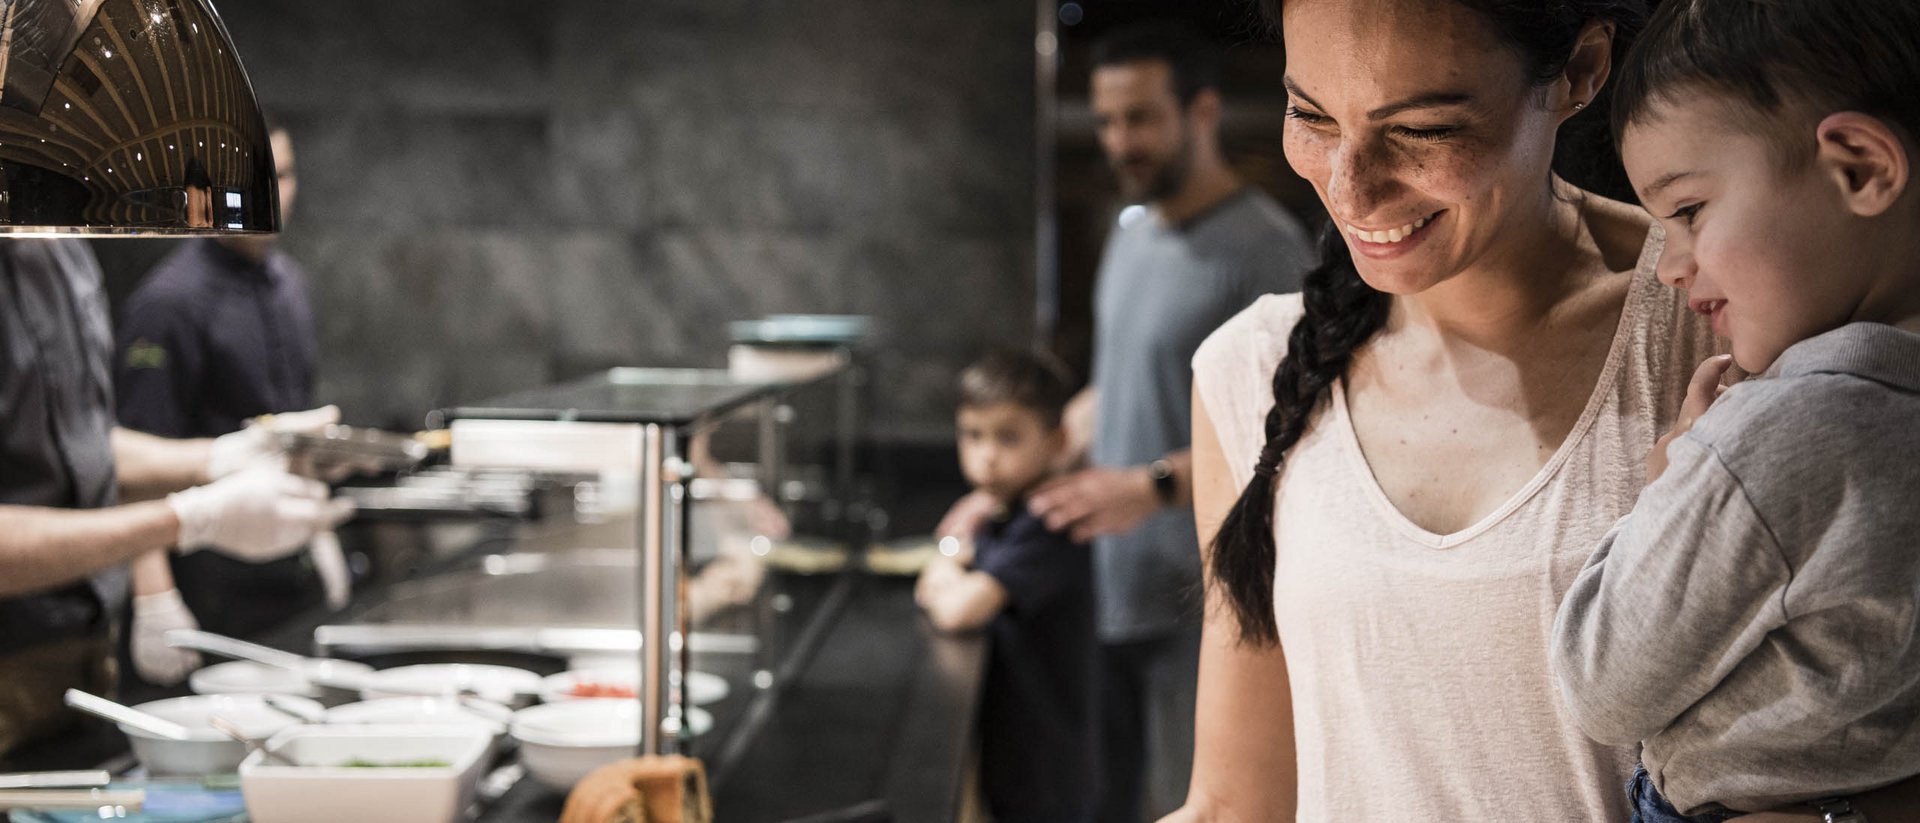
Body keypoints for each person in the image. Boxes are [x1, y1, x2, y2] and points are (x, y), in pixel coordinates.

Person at [932, 23, 1312, 819]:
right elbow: (1114, 384)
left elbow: (1297, 436)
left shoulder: (1267, 253)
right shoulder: (1129, 228)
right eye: (1106, 120)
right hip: (1105, 586)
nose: (1119, 141)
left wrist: (1154, 483)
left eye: (1140, 117)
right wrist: (1016, 482)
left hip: (1204, 600)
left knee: (1196, 802)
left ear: (1201, 110)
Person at [1551, 1, 1920, 820]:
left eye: (1686, 212)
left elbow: (1600, 680)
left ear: (1859, 167)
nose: (1670, 267)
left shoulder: (1780, 434)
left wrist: (1670, 483)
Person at [0, 238, 351, 760]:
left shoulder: (62, 248)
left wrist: (224, 456)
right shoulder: (170, 299)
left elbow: (83, 444)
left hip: (84, 650)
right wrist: (185, 521)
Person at [115, 124, 332, 676]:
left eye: (281, 176)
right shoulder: (167, 303)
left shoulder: (290, 284)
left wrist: (320, 536)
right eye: (248, 179)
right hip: (207, 581)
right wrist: (154, 597)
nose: (269, 194)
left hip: (288, 569)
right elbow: (127, 466)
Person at [915, 350, 1096, 823]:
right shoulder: (1003, 511)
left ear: (1057, 442)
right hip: (1018, 737)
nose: (986, 456)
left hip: (1046, 753)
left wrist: (950, 566)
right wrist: (951, 566)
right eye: (972, 435)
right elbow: (933, 580)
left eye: (1008, 438)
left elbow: (958, 609)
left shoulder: (1048, 522)